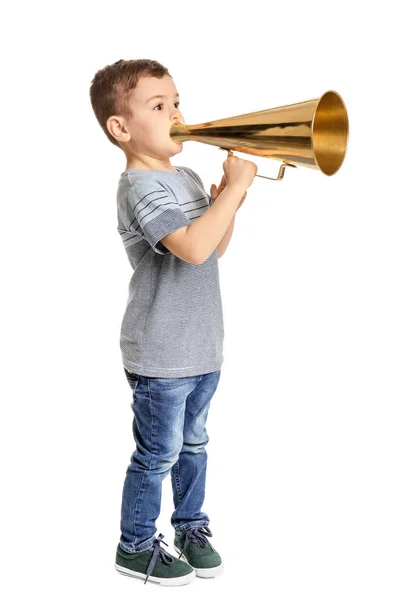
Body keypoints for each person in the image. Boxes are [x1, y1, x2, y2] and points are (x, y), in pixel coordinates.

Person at [89, 58, 257, 586]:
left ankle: (189, 527)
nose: (177, 114)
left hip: (203, 346)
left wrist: (228, 201)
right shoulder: (137, 186)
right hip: (161, 352)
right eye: (159, 106)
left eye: (177, 102)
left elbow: (212, 249)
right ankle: (134, 545)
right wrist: (229, 194)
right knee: (157, 454)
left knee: (194, 447)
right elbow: (189, 248)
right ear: (121, 127)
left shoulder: (182, 176)